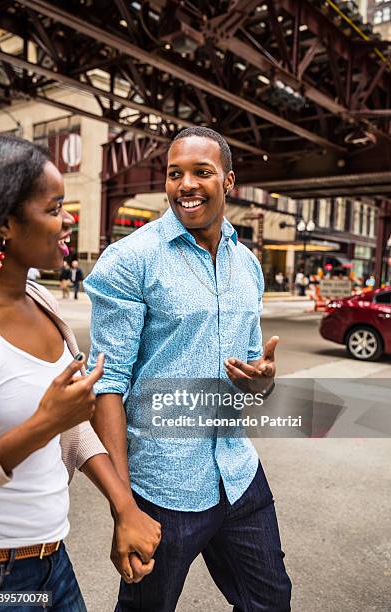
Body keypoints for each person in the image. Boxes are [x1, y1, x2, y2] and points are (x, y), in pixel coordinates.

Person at [85, 127, 292, 611]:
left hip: (238, 474)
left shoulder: (247, 264)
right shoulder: (131, 260)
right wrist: (125, 507)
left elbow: (250, 378)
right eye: (175, 173)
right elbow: (108, 387)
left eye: (202, 172)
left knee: (272, 602)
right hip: (163, 488)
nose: (187, 184)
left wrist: (262, 382)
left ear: (229, 181)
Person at [0, 135, 161, 611]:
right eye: (54, 207)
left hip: (52, 562)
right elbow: (55, 422)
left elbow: (74, 429)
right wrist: (44, 423)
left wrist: (124, 507)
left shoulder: (44, 302)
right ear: (4, 222)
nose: (68, 220)